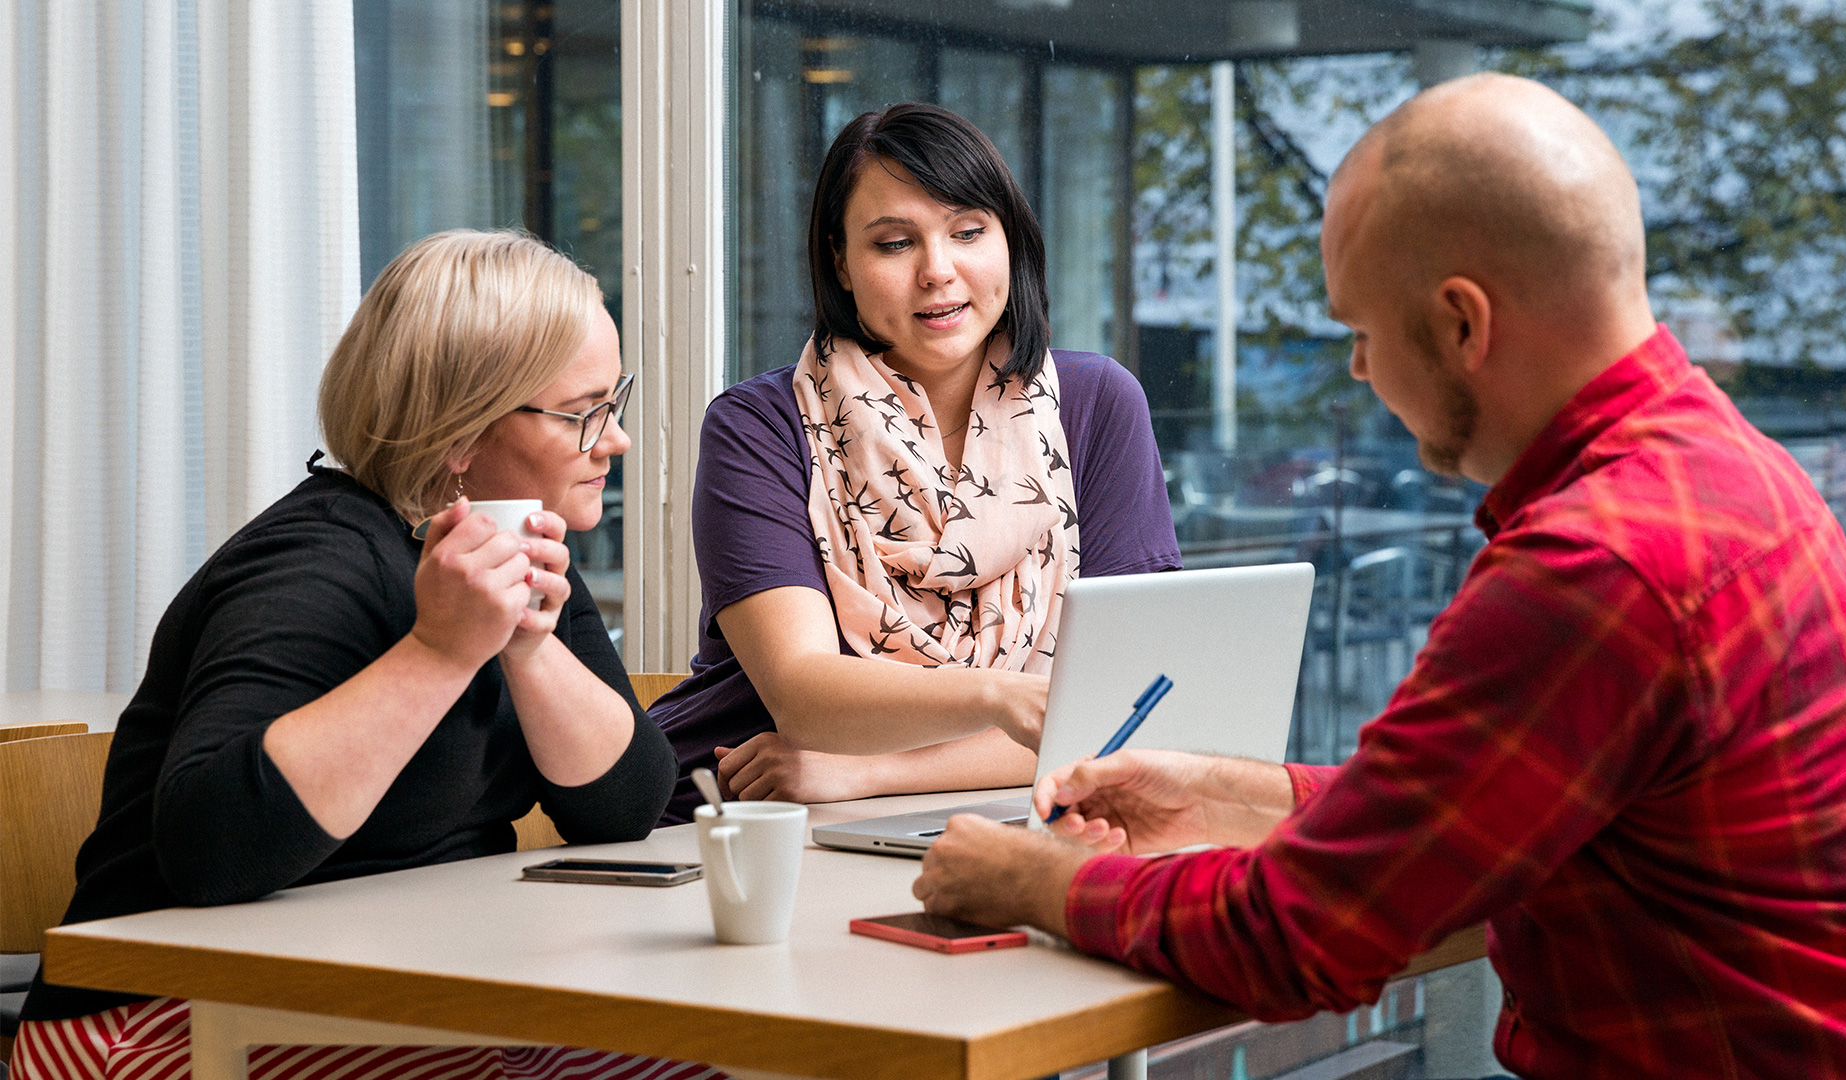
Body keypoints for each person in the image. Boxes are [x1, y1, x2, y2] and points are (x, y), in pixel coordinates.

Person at [911, 74, 1846, 1079]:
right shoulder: (1723, 471)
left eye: (1360, 333)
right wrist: (1232, 795)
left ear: (1461, 325)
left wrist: (1036, 881)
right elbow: (1483, 803)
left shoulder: (1595, 564)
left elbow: (1300, 938)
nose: (1357, 372)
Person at [10, 231, 720, 1080]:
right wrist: (439, 653)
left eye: (616, 402)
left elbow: (625, 808)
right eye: (586, 413)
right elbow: (211, 847)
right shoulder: (314, 564)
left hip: (389, 990)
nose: (617, 441)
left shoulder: (505, 545)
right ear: (461, 432)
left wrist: (528, 650)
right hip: (154, 1019)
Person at [649, 103, 1178, 822]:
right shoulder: (760, 427)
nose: (938, 271)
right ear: (839, 260)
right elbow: (804, 697)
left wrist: (869, 775)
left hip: (1006, 813)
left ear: (1010, 243)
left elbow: (1125, 711)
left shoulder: (1098, 406)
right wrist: (1001, 697)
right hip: (746, 821)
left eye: (968, 232)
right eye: (895, 244)